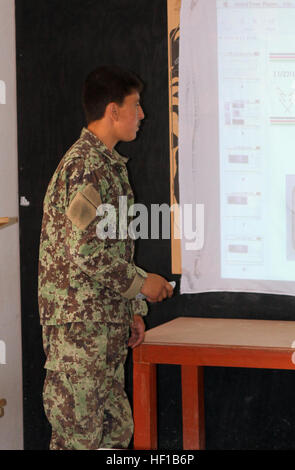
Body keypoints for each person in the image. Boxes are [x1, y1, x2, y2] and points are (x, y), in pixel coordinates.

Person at [38, 65, 174, 450]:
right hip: (79, 337)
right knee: (79, 440)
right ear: (113, 111)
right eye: (136, 105)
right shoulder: (86, 167)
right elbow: (82, 249)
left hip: (102, 331)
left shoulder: (107, 167)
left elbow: (108, 248)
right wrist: (141, 284)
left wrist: (129, 307)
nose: (142, 114)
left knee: (113, 436)